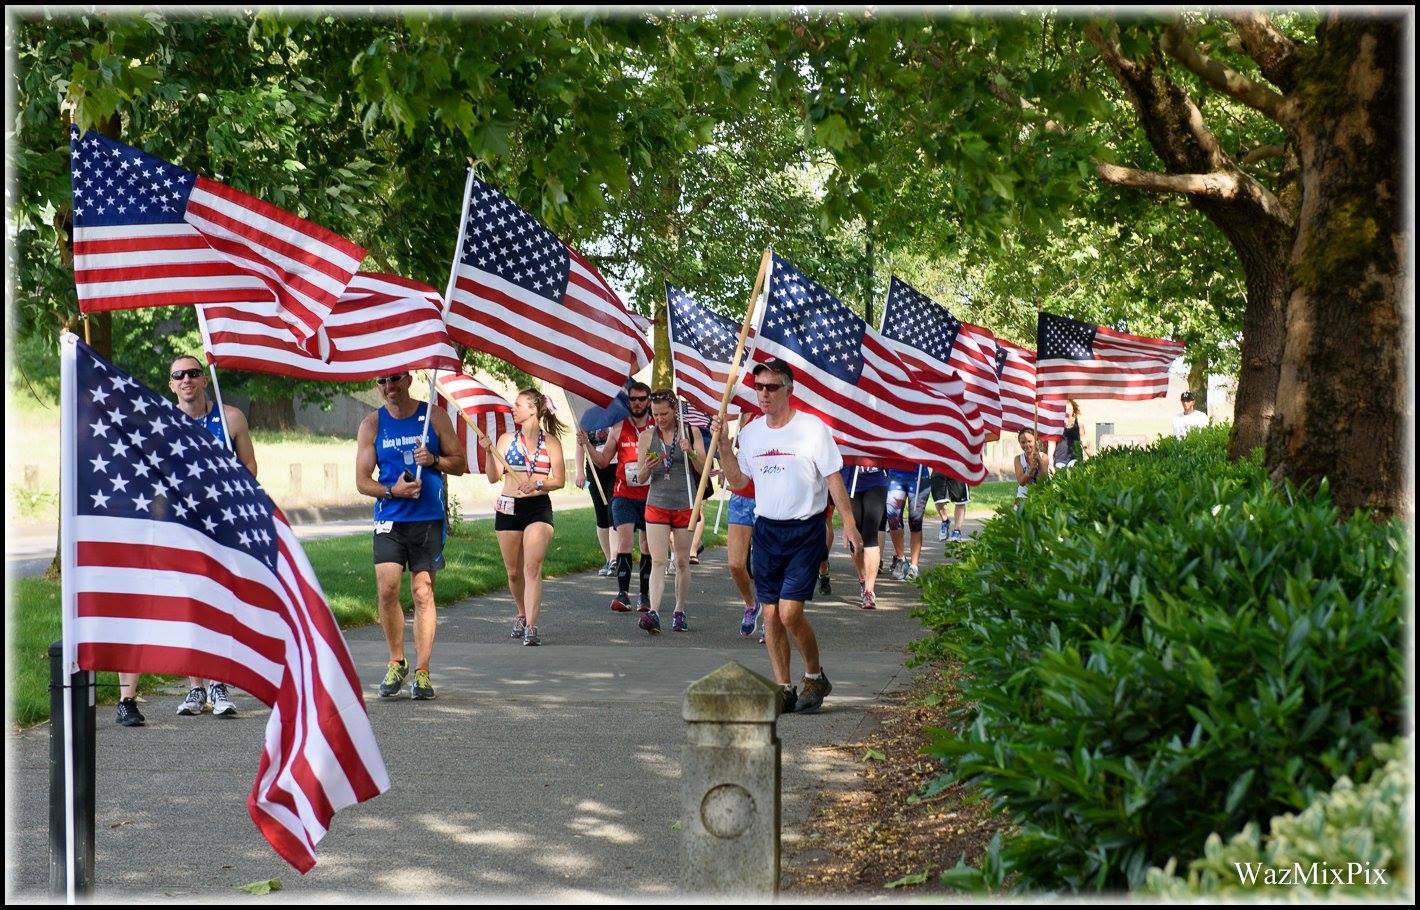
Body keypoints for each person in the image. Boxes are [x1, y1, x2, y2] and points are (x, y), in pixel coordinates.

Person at [712, 359, 862, 715]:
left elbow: (833, 478)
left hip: (804, 529)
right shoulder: (751, 434)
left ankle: (815, 676)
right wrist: (722, 447)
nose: (763, 394)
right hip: (767, 530)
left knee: (790, 613)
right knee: (770, 614)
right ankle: (783, 686)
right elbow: (740, 483)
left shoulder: (811, 430)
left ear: (788, 390)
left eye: (772, 387)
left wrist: (849, 524)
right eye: (759, 387)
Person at [129, 354, 258, 726]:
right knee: (189, 604)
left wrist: (231, 489)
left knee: (218, 601)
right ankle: (196, 686)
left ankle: (220, 685)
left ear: (204, 379)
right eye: (178, 375)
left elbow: (250, 467)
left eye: (192, 373)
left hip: (220, 524)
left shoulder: (230, 418)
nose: (186, 380)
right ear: (171, 385)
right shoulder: (160, 425)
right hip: (179, 526)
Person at [356, 371, 466, 700]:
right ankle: (396, 661)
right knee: (387, 589)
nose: (389, 387)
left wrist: (433, 460)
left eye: (395, 379)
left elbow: (459, 463)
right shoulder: (372, 424)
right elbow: (362, 481)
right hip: (390, 517)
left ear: (408, 380)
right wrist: (392, 491)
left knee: (423, 592)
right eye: (381, 382)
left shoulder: (433, 416)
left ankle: (422, 671)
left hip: (427, 518)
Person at [481, 388, 566, 646]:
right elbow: (493, 477)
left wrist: (538, 484)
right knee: (514, 572)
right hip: (508, 508)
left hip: (537, 508)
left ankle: (531, 625)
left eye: (518, 404)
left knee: (532, 567)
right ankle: (521, 611)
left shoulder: (551, 442)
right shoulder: (507, 439)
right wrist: (488, 451)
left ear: (533, 409)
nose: (513, 408)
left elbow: (560, 480)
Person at [634, 389, 708, 634]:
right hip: (657, 501)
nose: (659, 418)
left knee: (682, 561)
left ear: (674, 410)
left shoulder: (690, 431)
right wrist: (647, 466)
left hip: (685, 501)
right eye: (655, 414)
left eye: (664, 413)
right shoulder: (647, 436)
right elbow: (641, 477)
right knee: (658, 560)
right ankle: (653, 611)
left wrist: (691, 451)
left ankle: (679, 610)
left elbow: (704, 467)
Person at [582, 381, 655, 614]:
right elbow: (603, 461)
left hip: (651, 494)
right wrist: (587, 446)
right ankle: (623, 594)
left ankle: (644, 595)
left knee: (646, 545)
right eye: (633, 399)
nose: (637, 403)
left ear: (648, 400)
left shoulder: (656, 427)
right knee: (624, 542)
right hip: (623, 493)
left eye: (642, 399)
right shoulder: (618, 427)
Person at [724, 413, 762, 640]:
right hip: (741, 497)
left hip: (769, 499)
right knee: (736, 564)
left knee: (764, 565)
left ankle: (771, 619)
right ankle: (751, 603)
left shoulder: (781, 415)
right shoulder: (744, 414)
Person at [841, 463, 888, 609]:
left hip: (876, 481)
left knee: (870, 534)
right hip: (850, 483)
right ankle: (862, 577)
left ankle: (869, 590)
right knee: (855, 540)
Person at [574, 423, 618, 576]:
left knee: (614, 510)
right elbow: (580, 445)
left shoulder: (615, 414)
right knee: (601, 513)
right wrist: (579, 471)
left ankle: (614, 559)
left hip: (615, 465)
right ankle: (608, 559)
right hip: (594, 468)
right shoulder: (587, 418)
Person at [885, 466, 931, 579]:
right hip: (895, 476)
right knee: (893, 519)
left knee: (915, 521)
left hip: (919, 477)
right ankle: (901, 560)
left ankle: (914, 567)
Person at [931, 468, 971, 543]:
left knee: (960, 501)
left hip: (958, 467)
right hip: (939, 466)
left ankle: (957, 531)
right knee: (939, 500)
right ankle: (945, 521)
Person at [1013, 427, 1048, 508]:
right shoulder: (1018, 459)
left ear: (1036, 441)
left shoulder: (1044, 457)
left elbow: (1043, 480)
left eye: (1029, 441)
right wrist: (1031, 469)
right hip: (1022, 496)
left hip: (1039, 496)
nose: (1026, 445)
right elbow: (1021, 482)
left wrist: (1040, 462)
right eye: (1023, 442)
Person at [1054, 399, 1090, 469]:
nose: (1067, 411)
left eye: (1070, 409)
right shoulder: (1057, 423)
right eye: (1065, 408)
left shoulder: (1078, 423)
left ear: (1073, 410)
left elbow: (1083, 440)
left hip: (1075, 457)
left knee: (1074, 469)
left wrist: (1090, 455)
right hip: (1060, 458)